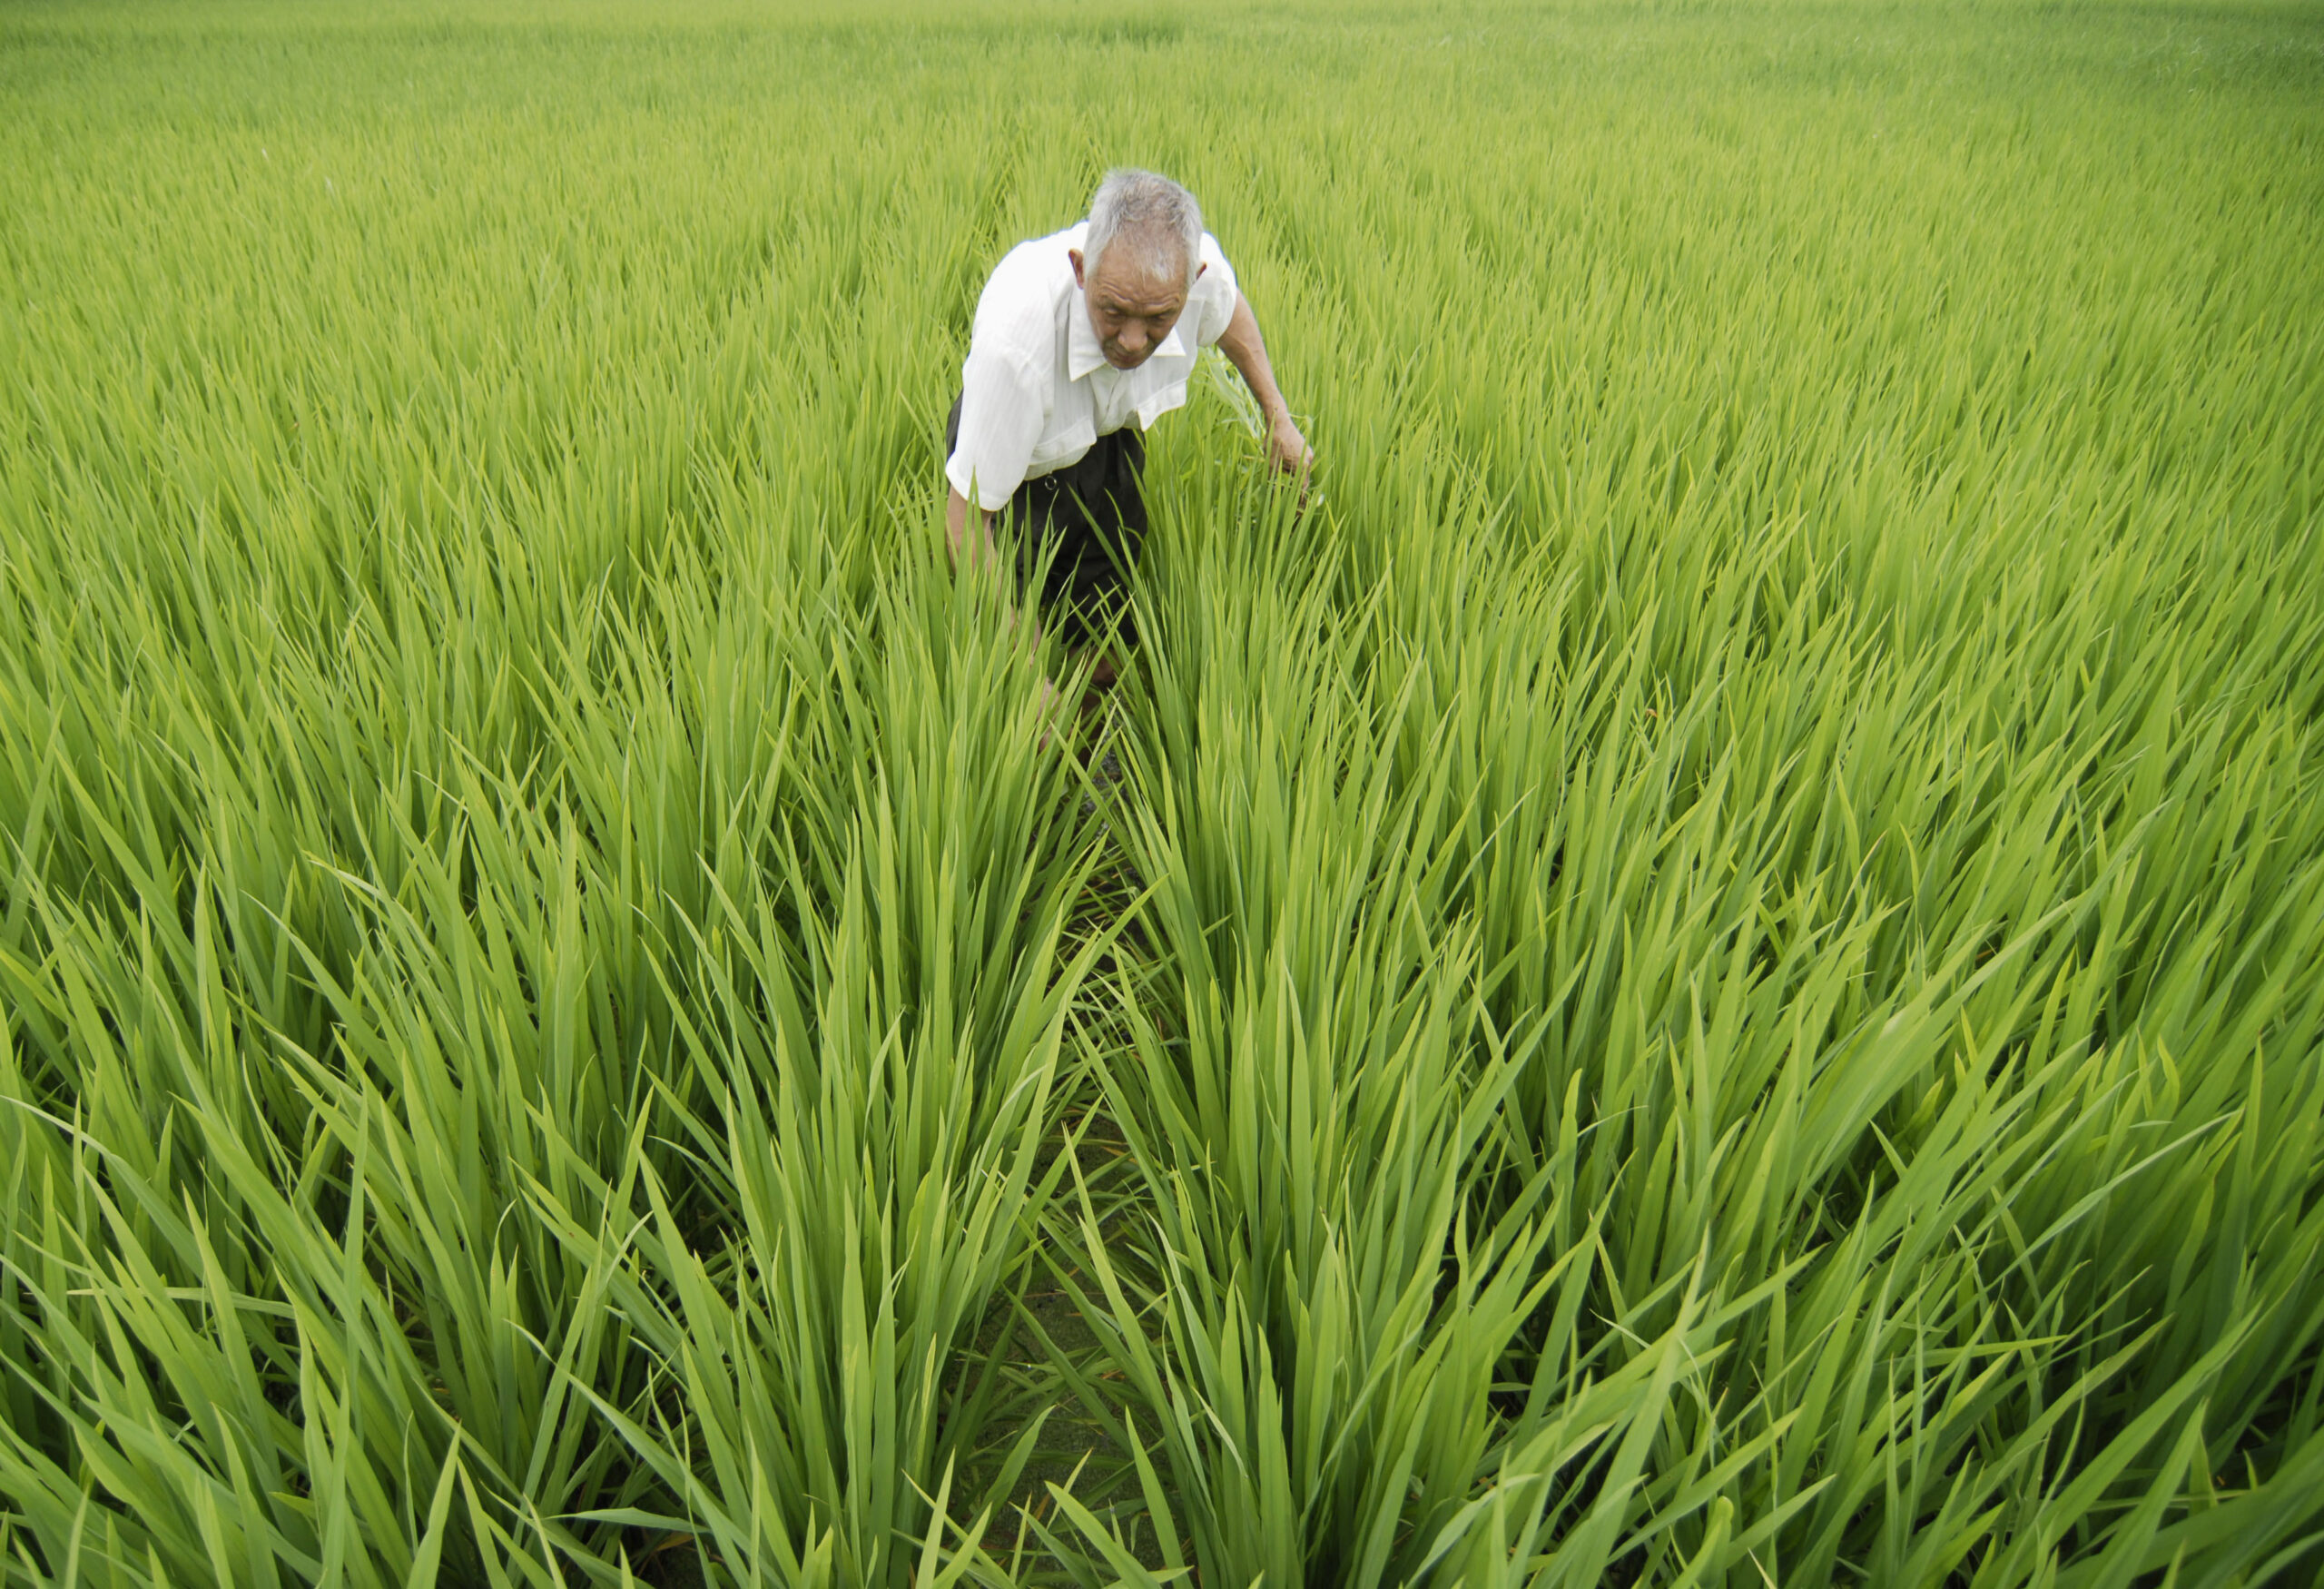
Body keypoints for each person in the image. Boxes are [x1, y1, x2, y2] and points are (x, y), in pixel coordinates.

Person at [944, 168, 1311, 711]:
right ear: (1081, 270)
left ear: (1191, 283)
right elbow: (965, 523)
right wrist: (1023, 668)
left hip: (1107, 443)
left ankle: (1095, 749)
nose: (1134, 342)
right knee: (1023, 625)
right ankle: (1036, 762)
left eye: (1159, 317)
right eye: (1113, 312)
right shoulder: (1016, 350)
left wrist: (1278, 415)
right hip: (1020, 466)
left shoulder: (1192, 275)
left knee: (1108, 632)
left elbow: (1229, 311)